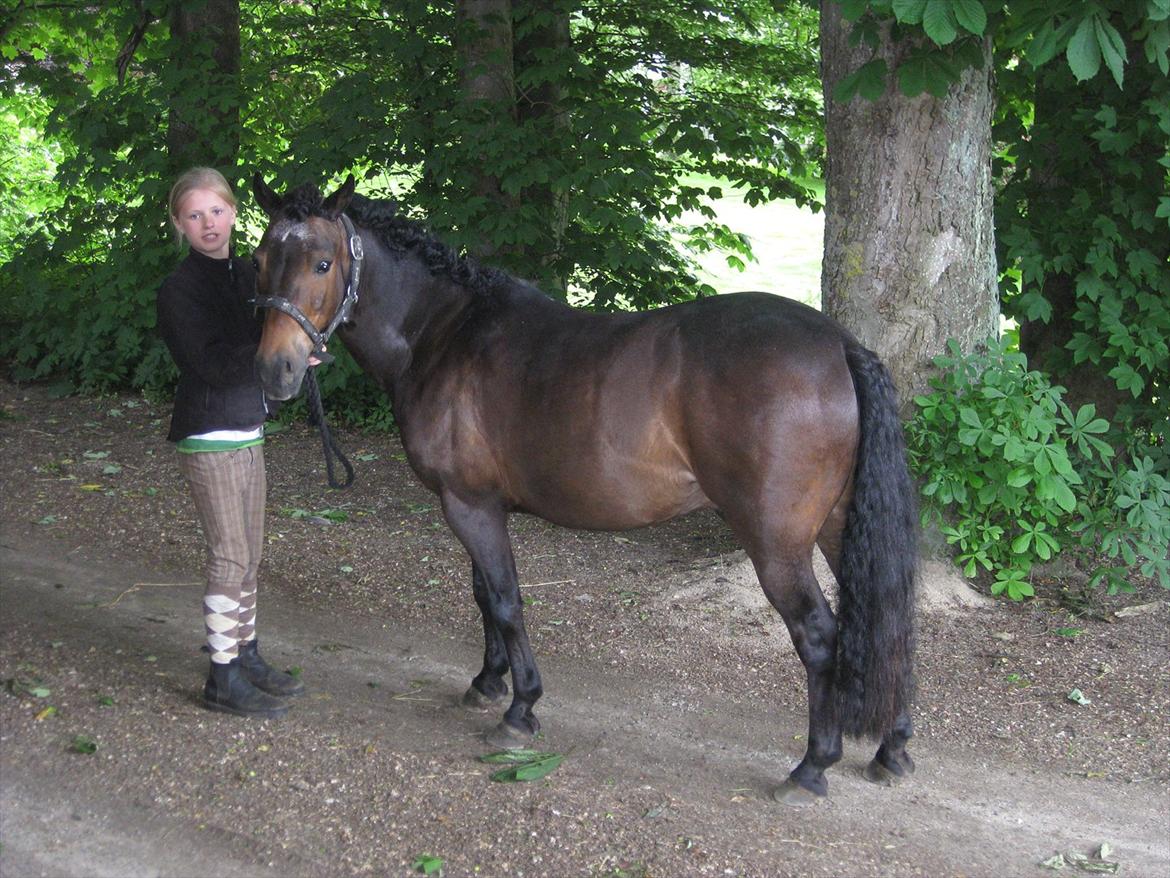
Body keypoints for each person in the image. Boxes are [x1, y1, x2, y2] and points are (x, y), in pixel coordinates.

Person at [157, 166, 305, 718]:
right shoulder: (179, 290)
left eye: (216, 210)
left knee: (251, 556)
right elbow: (212, 364)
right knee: (229, 557)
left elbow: (275, 333)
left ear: (234, 213)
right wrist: (270, 358)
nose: (208, 223)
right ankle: (221, 678)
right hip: (209, 433)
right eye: (194, 215)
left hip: (248, 428)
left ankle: (246, 653)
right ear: (179, 224)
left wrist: (296, 353)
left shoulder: (250, 274)